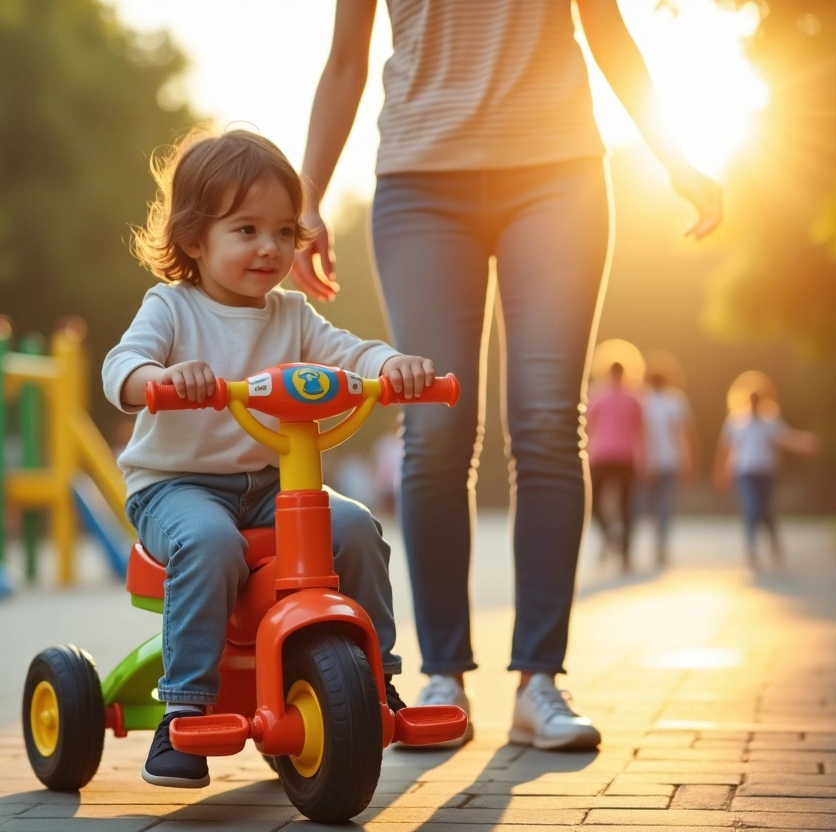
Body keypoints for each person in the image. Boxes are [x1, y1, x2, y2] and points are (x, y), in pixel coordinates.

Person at [294, 0, 723, 750]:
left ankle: (540, 681)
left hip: (558, 172)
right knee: (433, 425)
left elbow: (608, 31)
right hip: (420, 178)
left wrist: (676, 159)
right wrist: (306, 198)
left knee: (550, 420)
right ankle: (442, 679)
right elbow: (343, 61)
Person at [102, 126, 436, 788]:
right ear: (196, 239)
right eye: (247, 229)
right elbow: (121, 368)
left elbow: (351, 352)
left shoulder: (294, 316)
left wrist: (392, 366)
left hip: (269, 485)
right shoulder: (171, 308)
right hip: (176, 488)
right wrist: (160, 381)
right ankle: (183, 708)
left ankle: (377, 682)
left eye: (285, 232)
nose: (270, 248)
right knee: (209, 540)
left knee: (357, 530)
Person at [713, 390, 818, 568]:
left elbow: (786, 438)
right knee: (751, 509)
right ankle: (751, 549)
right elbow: (725, 449)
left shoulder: (770, 421)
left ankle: (774, 543)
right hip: (744, 472)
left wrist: (804, 444)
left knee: (766, 510)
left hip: (766, 473)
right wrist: (720, 473)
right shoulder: (736, 421)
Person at [585, 362, 644, 570]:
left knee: (593, 502)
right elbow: (640, 431)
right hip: (626, 456)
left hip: (601, 455)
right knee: (626, 505)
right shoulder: (635, 397)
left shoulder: (596, 395)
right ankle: (625, 552)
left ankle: (610, 534)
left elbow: (587, 426)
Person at [640, 368, 698, 566]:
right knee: (662, 507)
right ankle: (660, 546)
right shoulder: (675, 400)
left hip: (651, 462)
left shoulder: (643, 399)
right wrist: (689, 462)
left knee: (645, 506)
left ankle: (648, 546)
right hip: (668, 461)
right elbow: (686, 434)